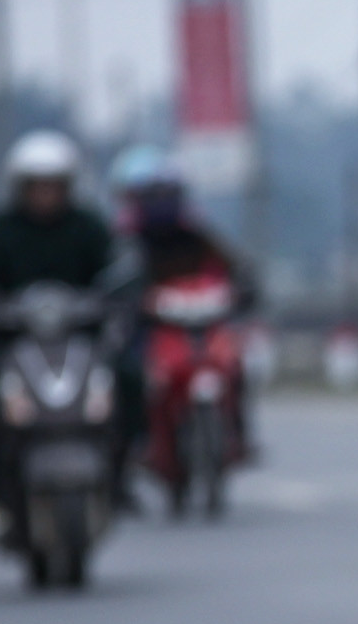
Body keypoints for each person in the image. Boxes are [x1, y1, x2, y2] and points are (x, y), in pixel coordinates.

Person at [0, 129, 118, 494]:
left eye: (53, 186)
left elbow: (118, 262)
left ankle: (123, 463)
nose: (45, 195)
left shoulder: (87, 227)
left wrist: (117, 286)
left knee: (129, 373)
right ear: (19, 187)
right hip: (10, 338)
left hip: (77, 336)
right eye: (36, 186)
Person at [108, 145, 258, 463]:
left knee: (236, 365)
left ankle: (239, 433)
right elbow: (111, 283)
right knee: (128, 373)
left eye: (166, 194)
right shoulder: (124, 242)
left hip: (200, 321)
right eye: (151, 195)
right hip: (150, 328)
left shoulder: (197, 234)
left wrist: (243, 288)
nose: (159, 203)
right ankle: (134, 445)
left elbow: (233, 267)